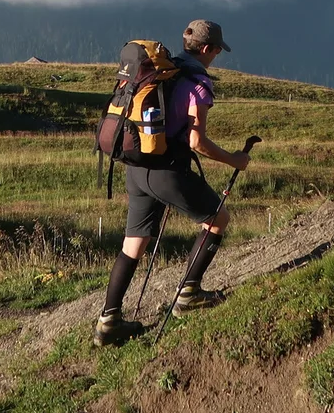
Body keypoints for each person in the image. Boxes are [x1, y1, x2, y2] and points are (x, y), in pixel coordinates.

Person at [92, 19, 253, 347]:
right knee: (218, 219)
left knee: (133, 243)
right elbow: (197, 143)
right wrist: (235, 160)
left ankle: (109, 320)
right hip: (166, 171)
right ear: (208, 49)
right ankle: (188, 294)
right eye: (219, 49)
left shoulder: (163, 71)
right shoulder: (198, 83)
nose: (219, 54)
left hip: (136, 166)